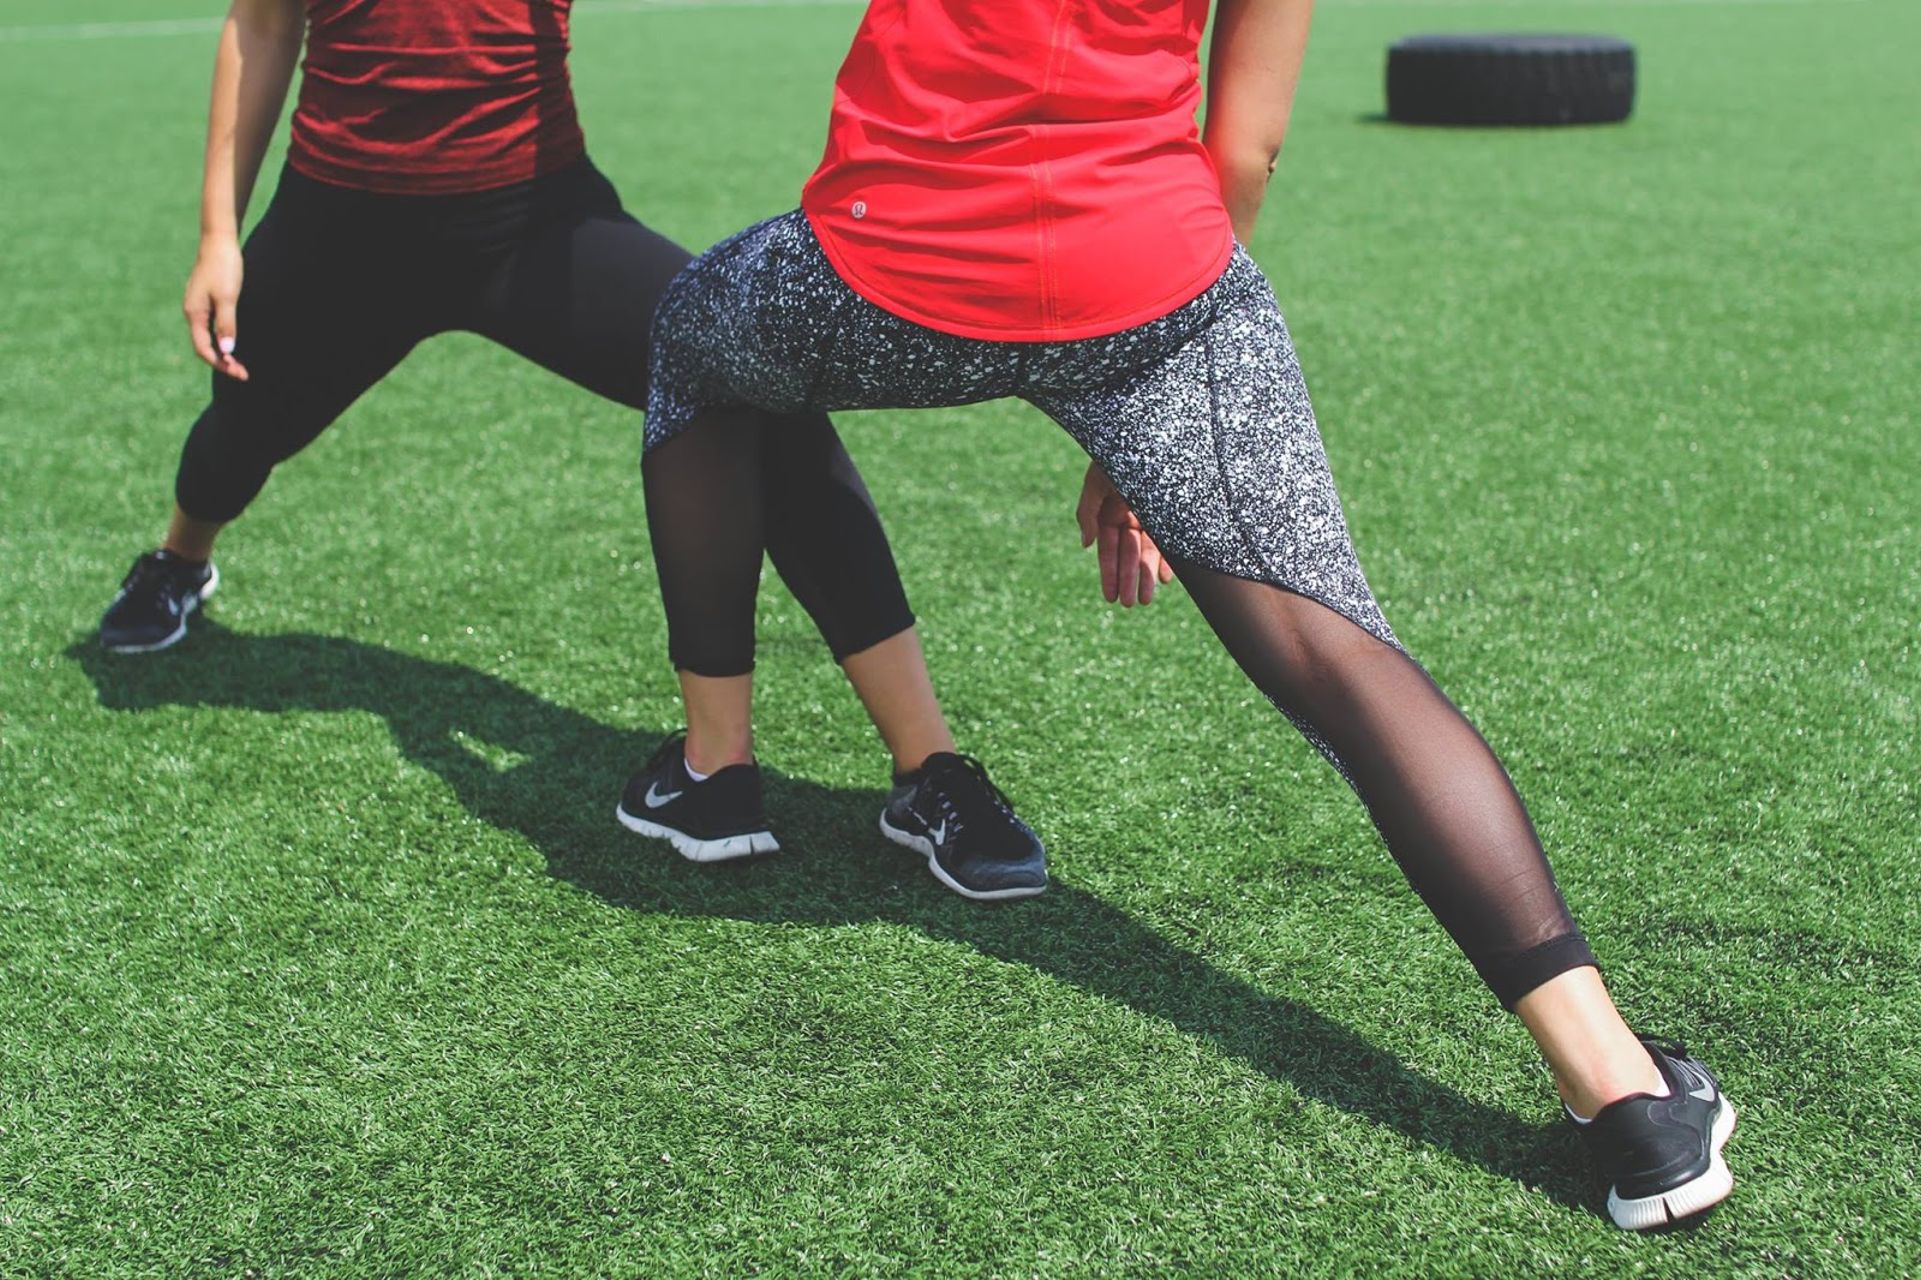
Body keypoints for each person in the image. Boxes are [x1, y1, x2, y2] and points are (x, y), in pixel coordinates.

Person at [631, 0, 1737, 1229]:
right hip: (1149, 277)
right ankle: (1623, 1092)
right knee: (1337, 652)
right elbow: (1246, 149)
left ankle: (715, 772)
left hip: (893, 273)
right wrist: (1161, 347)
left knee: (693, 335)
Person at [93, 0, 1165, 893]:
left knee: (755, 379)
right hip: (340, 224)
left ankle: (929, 766)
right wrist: (217, 235)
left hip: (537, 226)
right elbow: (262, 22)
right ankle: (180, 559)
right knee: (244, 422)